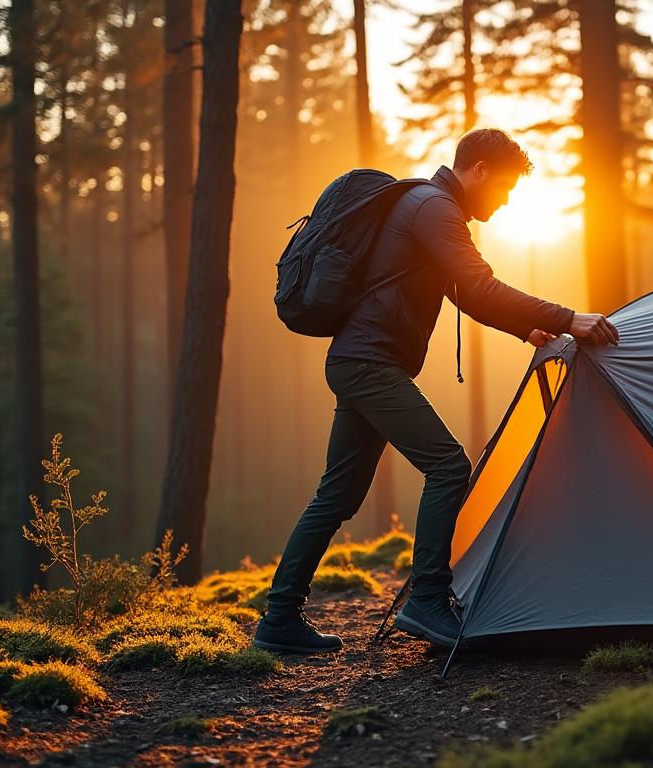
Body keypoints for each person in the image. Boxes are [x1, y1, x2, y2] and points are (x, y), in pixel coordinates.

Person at [253, 128, 620, 653]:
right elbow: (481, 285)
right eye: (506, 188)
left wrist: (529, 329)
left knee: (336, 496)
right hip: (370, 363)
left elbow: (467, 296)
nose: (506, 200)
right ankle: (427, 600)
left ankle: (279, 621)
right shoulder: (434, 209)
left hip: (360, 362)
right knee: (448, 466)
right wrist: (570, 318)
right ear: (480, 172)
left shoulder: (426, 208)